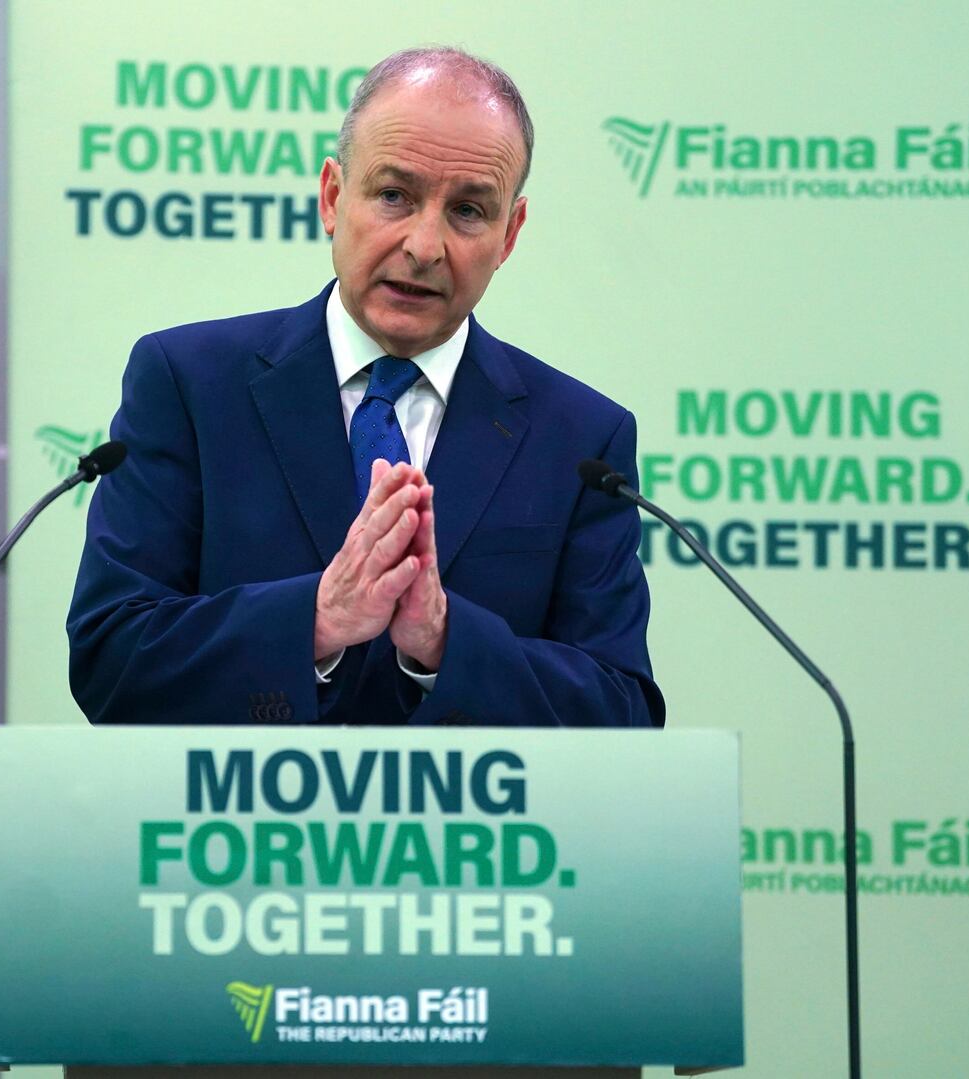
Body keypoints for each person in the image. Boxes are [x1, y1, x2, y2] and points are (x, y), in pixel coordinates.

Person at [67, 47, 663, 728]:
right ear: (331, 197)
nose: (423, 245)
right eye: (393, 196)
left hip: (471, 833)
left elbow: (623, 713)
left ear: (509, 234)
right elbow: (110, 658)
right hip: (235, 827)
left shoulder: (581, 440)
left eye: (468, 210)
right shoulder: (189, 385)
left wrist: (445, 642)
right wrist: (317, 619)